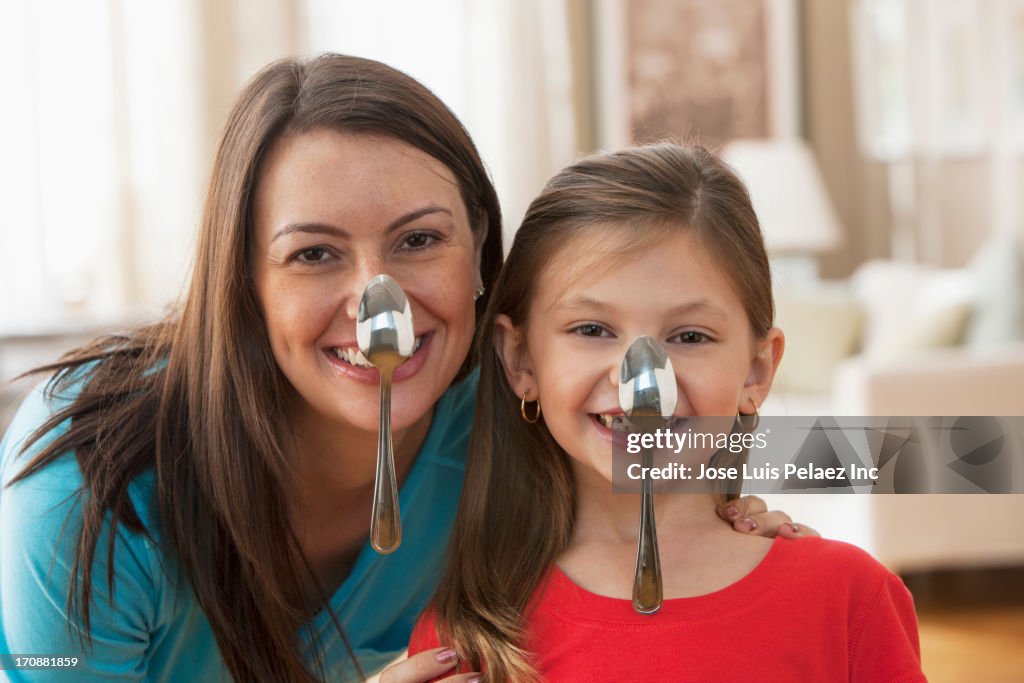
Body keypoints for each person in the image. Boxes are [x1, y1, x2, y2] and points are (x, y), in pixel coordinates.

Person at [0, 55, 812, 683]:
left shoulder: (498, 412)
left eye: (419, 240)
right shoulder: (86, 487)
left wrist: (731, 499)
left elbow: (900, 452)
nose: (377, 303)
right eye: (313, 253)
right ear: (245, 280)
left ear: (479, 251)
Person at [409, 143, 926, 682]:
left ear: (755, 372)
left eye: (689, 336)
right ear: (521, 360)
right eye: (592, 330)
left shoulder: (849, 598)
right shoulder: (465, 633)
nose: (638, 379)